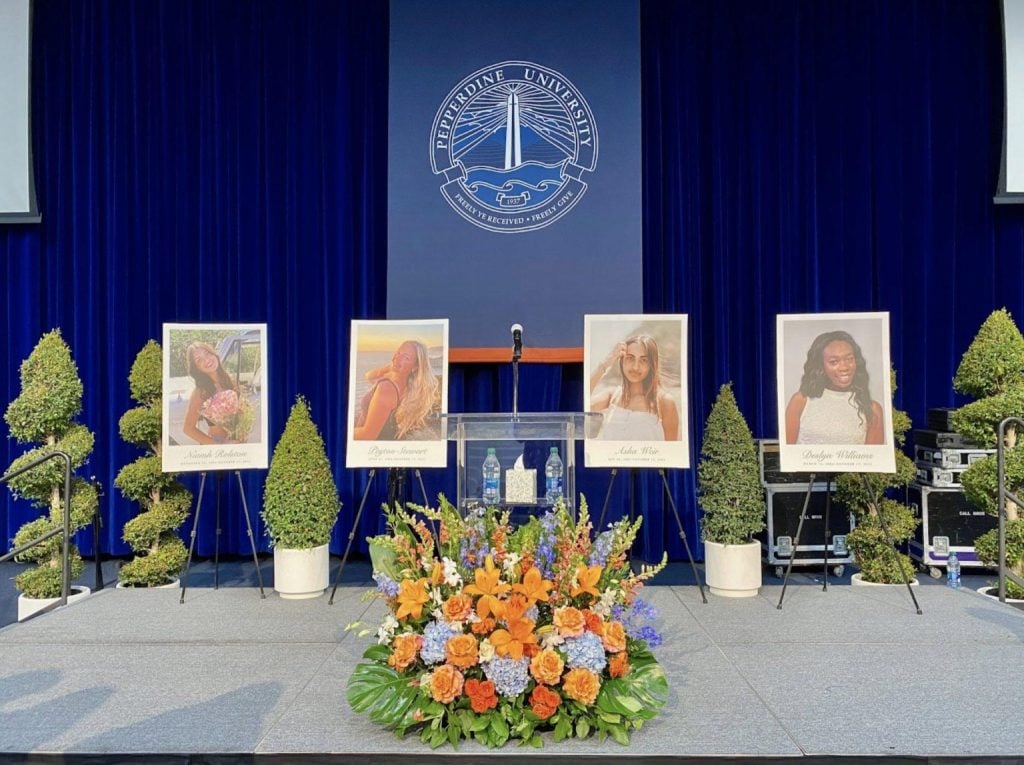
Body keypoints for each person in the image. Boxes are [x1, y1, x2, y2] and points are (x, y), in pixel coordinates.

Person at [784, 330, 884, 445]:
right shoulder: (801, 401)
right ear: (820, 366)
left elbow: (874, 461)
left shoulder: (872, 409)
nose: (844, 367)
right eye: (834, 362)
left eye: (849, 359)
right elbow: (787, 454)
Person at [590, 334, 679, 441]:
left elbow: (671, 453)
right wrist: (607, 362)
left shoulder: (665, 402)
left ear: (651, 365)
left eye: (644, 360)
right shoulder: (612, 396)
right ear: (622, 360)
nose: (635, 367)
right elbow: (581, 405)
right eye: (630, 358)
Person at [354, 340, 439, 440]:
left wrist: (343, 430)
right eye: (398, 352)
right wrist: (392, 366)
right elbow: (369, 376)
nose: (397, 358)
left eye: (406, 358)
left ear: (415, 367)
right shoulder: (406, 384)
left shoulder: (387, 389)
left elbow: (367, 436)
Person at [182, 341, 240, 445]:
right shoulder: (200, 392)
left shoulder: (229, 380)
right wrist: (220, 445)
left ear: (214, 354)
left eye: (207, 354)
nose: (207, 360)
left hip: (238, 441)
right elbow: (188, 429)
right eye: (199, 360)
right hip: (218, 446)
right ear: (197, 368)